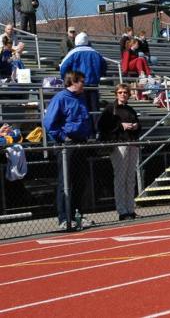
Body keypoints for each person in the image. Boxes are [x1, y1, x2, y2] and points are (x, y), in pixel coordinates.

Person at [43, 70, 93, 230]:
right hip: (67, 145)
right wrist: (63, 137)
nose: (84, 85)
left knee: (80, 181)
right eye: (82, 82)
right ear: (74, 82)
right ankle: (64, 218)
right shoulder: (61, 98)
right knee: (66, 181)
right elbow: (49, 122)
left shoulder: (81, 98)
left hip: (81, 143)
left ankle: (77, 215)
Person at [97, 83, 141, 220]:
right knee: (120, 178)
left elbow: (139, 126)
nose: (123, 94)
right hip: (119, 144)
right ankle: (122, 210)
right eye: (121, 92)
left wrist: (136, 126)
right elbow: (102, 126)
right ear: (116, 93)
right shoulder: (111, 109)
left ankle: (130, 208)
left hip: (132, 143)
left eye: (126, 92)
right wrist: (120, 125)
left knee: (130, 178)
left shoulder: (130, 109)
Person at [59, 32, 107, 126]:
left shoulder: (73, 52)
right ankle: (95, 131)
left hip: (77, 86)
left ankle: (83, 131)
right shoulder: (95, 53)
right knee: (94, 109)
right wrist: (98, 75)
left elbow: (63, 67)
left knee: (80, 108)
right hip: (94, 85)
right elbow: (104, 66)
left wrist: (67, 81)